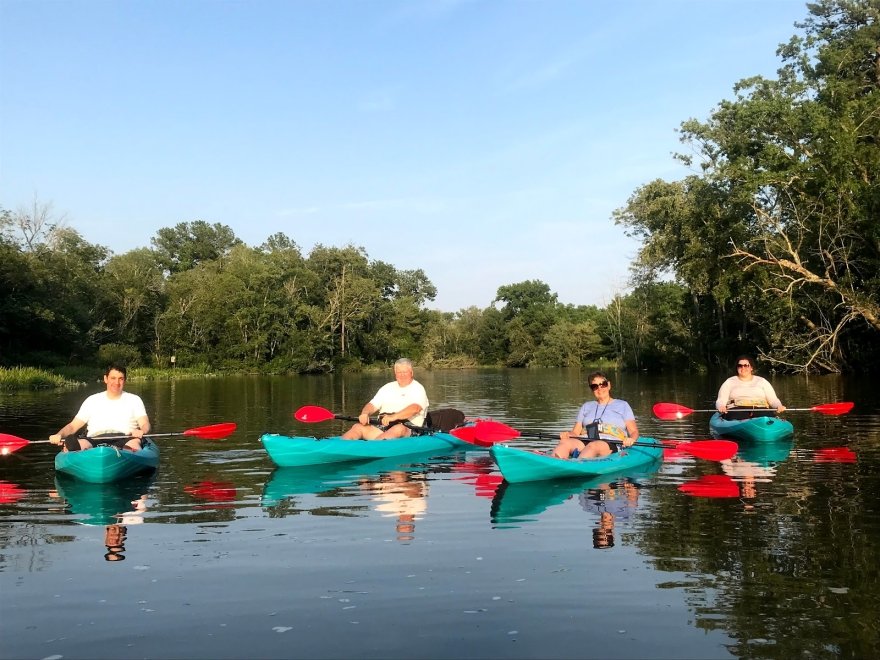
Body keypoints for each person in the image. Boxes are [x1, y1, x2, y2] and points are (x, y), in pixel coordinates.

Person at [49, 364, 151, 452]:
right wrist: (59, 435)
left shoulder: (134, 399)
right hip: (94, 438)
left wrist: (142, 431)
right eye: (113, 378)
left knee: (133, 446)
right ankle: (75, 448)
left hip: (126, 438)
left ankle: (130, 456)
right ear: (106, 379)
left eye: (121, 379)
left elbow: (145, 423)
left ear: (125, 381)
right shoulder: (92, 400)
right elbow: (72, 426)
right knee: (81, 444)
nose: (116, 383)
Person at [552, 371, 639, 459]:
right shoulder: (586, 406)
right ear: (592, 389)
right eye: (595, 386)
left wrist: (631, 439)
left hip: (611, 443)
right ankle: (554, 463)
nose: (599, 388)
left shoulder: (622, 405)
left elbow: (633, 431)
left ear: (608, 385)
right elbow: (575, 432)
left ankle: (577, 466)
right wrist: (567, 434)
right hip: (585, 440)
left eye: (603, 384)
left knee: (593, 446)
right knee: (565, 442)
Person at [341, 358, 429, 440]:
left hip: (409, 429)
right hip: (384, 427)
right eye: (399, 372)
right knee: (358, 427)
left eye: (405, 372)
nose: (402, 375)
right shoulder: (387, 387)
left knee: (398, 428)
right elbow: (372, 405)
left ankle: (371, 448)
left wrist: (393, 417)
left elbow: (415, 408)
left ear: (411, 372)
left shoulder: (418, 388)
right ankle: (340, 447)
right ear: (395, 373)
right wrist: (365, 413)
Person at [715, 355, 786, 419]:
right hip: (736, 410)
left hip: (760, 409)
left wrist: (778, 406)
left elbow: (773, 400)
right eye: (740, 365)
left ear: (751, 367)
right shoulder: (729, 382)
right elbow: (721, 400)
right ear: (737, 368)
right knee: (737, 416)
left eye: (746, 365)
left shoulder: (762, 381)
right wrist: (721, 406)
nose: (743, 367)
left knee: (766, 416)